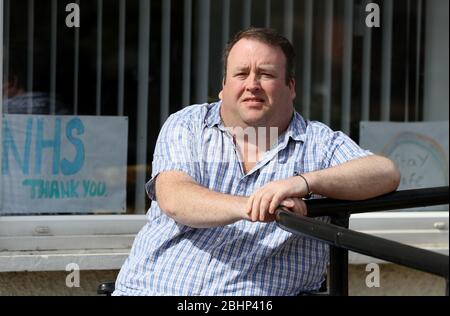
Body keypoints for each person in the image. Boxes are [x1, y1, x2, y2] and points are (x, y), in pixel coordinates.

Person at [113, 27, 400, 296]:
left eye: (265, 74)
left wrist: (302, 183)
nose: (252, 85)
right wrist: (258, 206)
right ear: (223, 86)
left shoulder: (318, 144)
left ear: (291, 86)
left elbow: (385, 172)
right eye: (241, 74)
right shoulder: (189, 124)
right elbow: (175, 198)